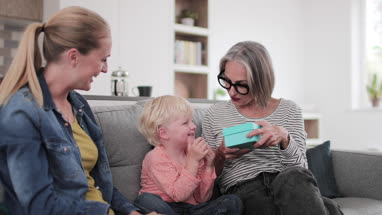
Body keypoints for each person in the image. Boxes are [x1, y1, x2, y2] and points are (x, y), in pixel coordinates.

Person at [0, 6, 158, 215]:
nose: (105, 69)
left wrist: (131, 212)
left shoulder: (79, 106)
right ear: (74, 56)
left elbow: (99, 183)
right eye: (103, 59)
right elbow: (39, 206)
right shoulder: (22, 113)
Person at [202, 41, 343, 215]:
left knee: (294, 178)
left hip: (290, 184)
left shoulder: (290, 110)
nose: (231, 92)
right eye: (227, 81)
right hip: (244, 188)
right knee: (328, 208)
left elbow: (302, 170)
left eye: (241, 85)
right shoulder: (214, 114)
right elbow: (205, 180)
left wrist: (284, 139)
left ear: (261, 81)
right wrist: (221, 155)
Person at [134, 95, 242, 215]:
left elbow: (202, 199)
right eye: (185, 123)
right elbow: (178, 195)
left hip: (192, 209)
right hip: (165, 207)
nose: (194, 126)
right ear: (164, 133)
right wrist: (193, 161)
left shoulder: (193, 154)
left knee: (232, 201)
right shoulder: (155, 157)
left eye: (192, 121)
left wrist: (209, 166)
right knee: (145, 200)